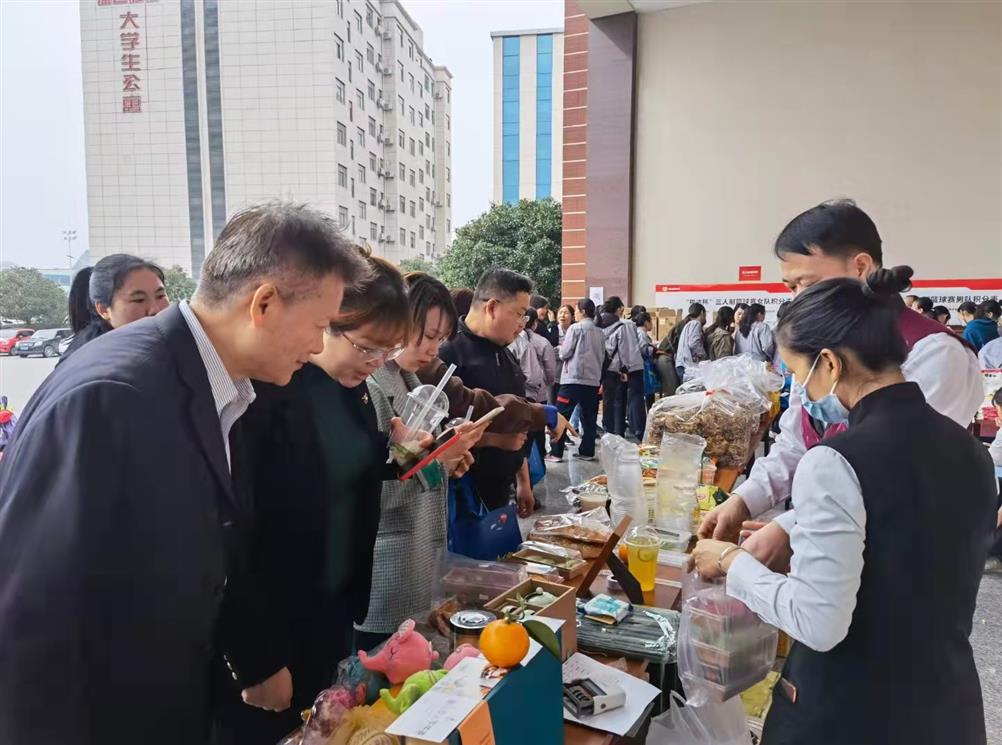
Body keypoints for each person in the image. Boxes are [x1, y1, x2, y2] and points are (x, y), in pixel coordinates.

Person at [0, 203, 368, 745]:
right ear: (264, 303)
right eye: (319, 325)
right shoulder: (116, 397)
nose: (318, 345)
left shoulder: (216, 386)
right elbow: (37, 616)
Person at [691, 270, 995, 745]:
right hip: (945, 709)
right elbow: (906, 558)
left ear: (830, 364)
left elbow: (818, 622)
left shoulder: (835, 461)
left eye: (798, 375)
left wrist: (731, 562)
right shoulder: (970, 451)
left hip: (849, 713)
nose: (801, 391)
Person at [213, 255, 481, 744]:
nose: (377, 362)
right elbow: (226, 537)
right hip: (277, 612)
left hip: (335, 601)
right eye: (367, 347)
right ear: (328, 321)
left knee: (326, 724)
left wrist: (401, 454)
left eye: (387, 350)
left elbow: (354, 462)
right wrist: (256, 659)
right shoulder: (268, 393)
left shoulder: (351, 391)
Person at [698, 200, 984, 573]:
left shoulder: (936, 353)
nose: (799, 298)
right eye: (791, 287)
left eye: (807, 283)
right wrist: (744, 500)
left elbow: (892, 472)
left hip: (898, 560)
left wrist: (789, 529)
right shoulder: (814, 346)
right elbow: (797, 440)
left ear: (860, 267)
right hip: (825, 544)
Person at [438, 269, 535, 514]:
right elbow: (438, 436)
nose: (521, 325)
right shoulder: (449, 354)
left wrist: (524, 482)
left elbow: (517, 429)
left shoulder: (505, 353)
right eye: (519, 314)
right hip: (462, 494)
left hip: (501, 488)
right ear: (491, 307)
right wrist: (496, 440)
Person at [60, 253, 169, 361]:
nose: (155, 310)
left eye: (160, 296)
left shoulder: (149, 344)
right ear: (103, 310)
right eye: (139, 300)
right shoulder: (100, 359)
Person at [551, 298, 606, 461]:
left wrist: (559, 349)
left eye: (575, 310)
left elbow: (565, 353)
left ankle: (556, 452)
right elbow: (603, 356)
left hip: (573, 380)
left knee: (561, 415)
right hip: (592, 380)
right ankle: (587, 452)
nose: (574, 313)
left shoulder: (575, 328)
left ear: (582, 311)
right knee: (589, 417)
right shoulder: (600, 332)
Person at [602, 308, 644, 438]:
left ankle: (611, 431)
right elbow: (625, 349)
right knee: (622, 400)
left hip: (608, 368)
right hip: (624, 367)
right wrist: (624, 369)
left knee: (611, 401)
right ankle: (622, 431)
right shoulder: (626, 325)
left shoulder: (602, 326)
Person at [673, 302, 708, 380]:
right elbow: (693, 343)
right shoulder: (696, 323)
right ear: (702, 313)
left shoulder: (689, 324)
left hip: (682, 365)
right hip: (687, 367)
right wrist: (704, 355)